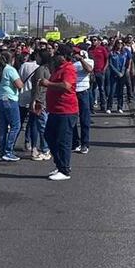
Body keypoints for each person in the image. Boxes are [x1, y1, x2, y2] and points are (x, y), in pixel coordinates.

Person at [42, 47, 78, 181]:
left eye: (57, 54)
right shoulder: (58, 68)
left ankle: (65, 169)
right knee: (49, 136)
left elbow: (66, 86)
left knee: (63, 140)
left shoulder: (68, 68)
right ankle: (60, 164)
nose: (54, 56)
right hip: (55, 109)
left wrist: (48, 83)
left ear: (63, 56)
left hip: (66, 110)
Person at [0, 50, 23, 162]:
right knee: (15, 126)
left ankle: (2, 150)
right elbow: (19, 84)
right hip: (9, 99)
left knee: (3, 126)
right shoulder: (10, 70)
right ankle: (8, 151)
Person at [26, 50, 52, 161]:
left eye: (37, 56)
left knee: (42, 126)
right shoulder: (46, 68)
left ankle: (45, 149)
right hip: (43, 99)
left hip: (40, 101)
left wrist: (35, 101)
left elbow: (39, 86)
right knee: (38, 125)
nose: (35, 58)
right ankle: (41, 148)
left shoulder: (41, 70)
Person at [70, 49, 95, 154]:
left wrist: (81, 60)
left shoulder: (89, 61)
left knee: (85, 119)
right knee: (72, 119)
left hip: (83, 92)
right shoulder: (71, 63)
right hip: (73, 92)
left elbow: (89, 69)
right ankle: (75, 142)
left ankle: (85, 143)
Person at [107, 41, 128, 114]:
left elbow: (125, 64)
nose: (120, 44)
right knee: (112, 92)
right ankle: (109, 107)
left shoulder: (124, 53)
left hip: (122, 75)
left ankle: (120, 107)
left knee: (120, 92)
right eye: (118, 43)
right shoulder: (112, 53)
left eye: (121, 43)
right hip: (113, 75)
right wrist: (117, 72)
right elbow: (110, 64)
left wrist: (122, 72)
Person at [89, 38, 109, 111]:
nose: (93, 41)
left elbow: (107, 60)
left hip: (100, 71)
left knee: (101, 89)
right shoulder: (89, 50)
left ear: (98, 41)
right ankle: (92, 105)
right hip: (92, 72)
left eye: (95, 40)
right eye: (92, 40)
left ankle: (103, 105)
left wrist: (104, 69)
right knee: (92, 89)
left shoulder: (102, 49)